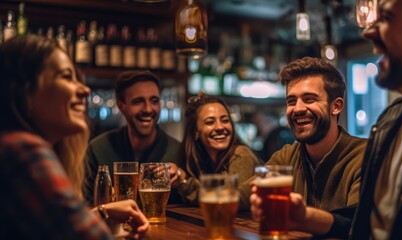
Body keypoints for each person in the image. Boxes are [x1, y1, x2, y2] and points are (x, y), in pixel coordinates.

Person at [251, 0, 402, 239]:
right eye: (291, 101)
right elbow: (363, 225)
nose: (368, 32)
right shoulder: (390, 123)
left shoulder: (366, 148)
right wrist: (303, 217)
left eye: (386, 18)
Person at [0, 35, 149, 239]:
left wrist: (101, 214)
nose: (85, 90)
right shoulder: (23, 151)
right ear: (26, 91)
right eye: (66, 77)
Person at [242, 57, 367, 212]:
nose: (298, 109)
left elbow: (356, 224)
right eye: (291, 101)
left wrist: (304, 217)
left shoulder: (364, 157)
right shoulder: (287, 157)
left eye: (309, 99)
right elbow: (241, 197)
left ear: (336, 106)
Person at [84, 70, 182, 206]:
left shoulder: (178, 152)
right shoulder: (98, 149)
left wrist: (182, 181)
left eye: (154, 101)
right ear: (121, 106)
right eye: (138, 101)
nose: (148, 109)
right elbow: (85, 205)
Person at [173, 92, 261, 205]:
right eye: (210, 122)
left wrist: (184, 182)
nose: (220, 127)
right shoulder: (199, 160)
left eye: (225, 120)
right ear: (196, 131)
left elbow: (228, 198)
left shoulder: (241, 155)